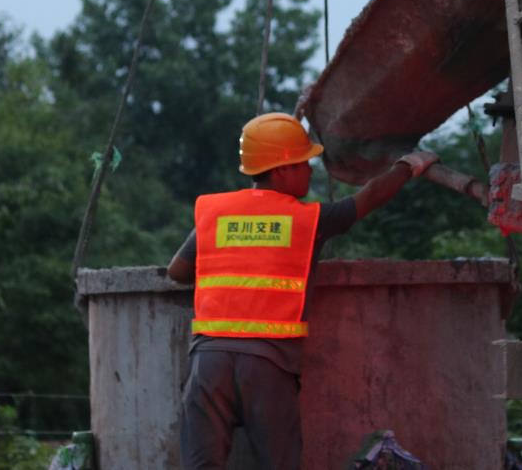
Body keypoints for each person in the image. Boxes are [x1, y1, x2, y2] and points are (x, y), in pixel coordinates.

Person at [166, 112, 438, 470]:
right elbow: (368, 198)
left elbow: (178, 271)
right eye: (304, 163)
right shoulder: (309, 220)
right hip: (267, 364)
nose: (311, 171)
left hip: (208, 361)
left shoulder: (216, 212)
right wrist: (409, 165)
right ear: (281, 169)